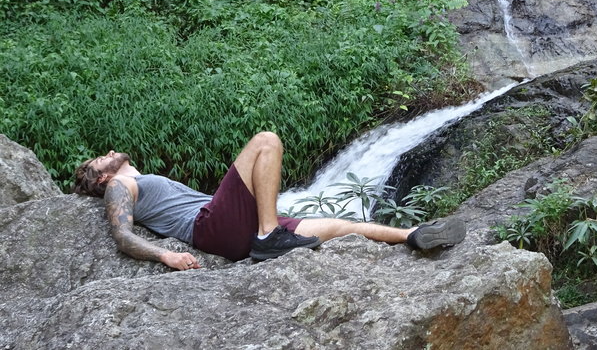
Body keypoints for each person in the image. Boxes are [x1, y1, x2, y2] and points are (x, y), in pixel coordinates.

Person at [74, 131, 466, 270]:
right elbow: (122, 236)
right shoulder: (117, 188)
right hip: (209, 226)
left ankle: (413, 235)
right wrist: (165, 255)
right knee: (266, 141)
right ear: (103, 177)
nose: (109, 151)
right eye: (101, 158)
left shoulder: (136, 179)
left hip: (233, 231)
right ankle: (268, 235)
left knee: (341, 227)